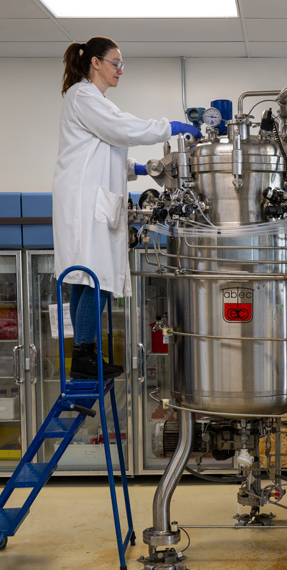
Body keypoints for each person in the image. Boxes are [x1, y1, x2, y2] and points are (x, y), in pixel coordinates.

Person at [53, 36, 200, 379]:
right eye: (116, 63)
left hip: (88, 199)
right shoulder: (83, 96)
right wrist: (171, 127)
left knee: (84, 277)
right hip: (85, 203)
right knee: (95, 278)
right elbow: (123, 129)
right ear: (95, 63)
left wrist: (136, 168)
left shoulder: (94, 101)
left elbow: (103, 149)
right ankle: (85, 357)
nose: (121, 70)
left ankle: (83, 355)